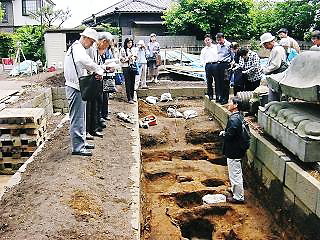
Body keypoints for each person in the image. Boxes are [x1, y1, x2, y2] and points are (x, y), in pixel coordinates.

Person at [64, 28, 104, 156]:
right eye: (91, 42)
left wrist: (94, 70)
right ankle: (78, 147)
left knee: (81, 117)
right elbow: (82, 61)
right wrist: (97, 69)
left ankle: (81, 142)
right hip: (74, 87)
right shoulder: (77, 48)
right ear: (85, 38)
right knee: (77, 118)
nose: (92, 45)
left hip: (78, 86)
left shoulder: (78, 48)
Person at [220, 97, 247, 204]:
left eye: (230, 102)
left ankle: (238, 197)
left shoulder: (234, 119)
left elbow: (231, 134)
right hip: (237, 149)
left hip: (234, 150)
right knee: (234, 172)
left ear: (235, 105)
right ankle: (234, 190)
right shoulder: (239, 116)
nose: (228, 104)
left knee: (235, 173)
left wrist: (224, 134)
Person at [260, 32, 287, 102]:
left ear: (269, 42)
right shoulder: (274, 49)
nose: (265, 47)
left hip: (277, 77)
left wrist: (265, 70)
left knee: (274, 98)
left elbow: (276, 65)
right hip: (276, 77)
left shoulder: (277, 50)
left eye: (265, 45)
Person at [214, 33, 233, 105]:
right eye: (217, 40)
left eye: (220, 40)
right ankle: (221, 97)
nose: (219, 42)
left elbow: (232, 55)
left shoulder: (229, 45)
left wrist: (231, 64)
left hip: (226, 65)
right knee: (219, 82)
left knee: (226, 82)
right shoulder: (218, 46)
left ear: (223, 38)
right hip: (219, 64)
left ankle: (225, 98)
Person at [200, 34, 218, 100]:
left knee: (217, 80)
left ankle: (217, 95)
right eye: (206, 40)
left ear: (211, 40)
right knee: (209, 81)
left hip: (215, 65)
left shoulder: (216, 47)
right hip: (208, 66)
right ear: (204, 41)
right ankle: (210, 95)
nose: (207, 41)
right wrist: (204, 65)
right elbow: (202, 59)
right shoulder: (203, 50)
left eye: (208, 40)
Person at [120, 38, 136, 104]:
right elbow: (121, 60)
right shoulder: (122, 49)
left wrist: (134, 58)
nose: (130, 44)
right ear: (126, 43)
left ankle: (132, 97)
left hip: (132, 67)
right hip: (126, 67)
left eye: (131, 43)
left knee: (133, 82)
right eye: (128, 43)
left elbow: (135, 58)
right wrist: (128, 58)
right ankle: (129, 98)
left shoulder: (133, 49)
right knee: (128, 82)